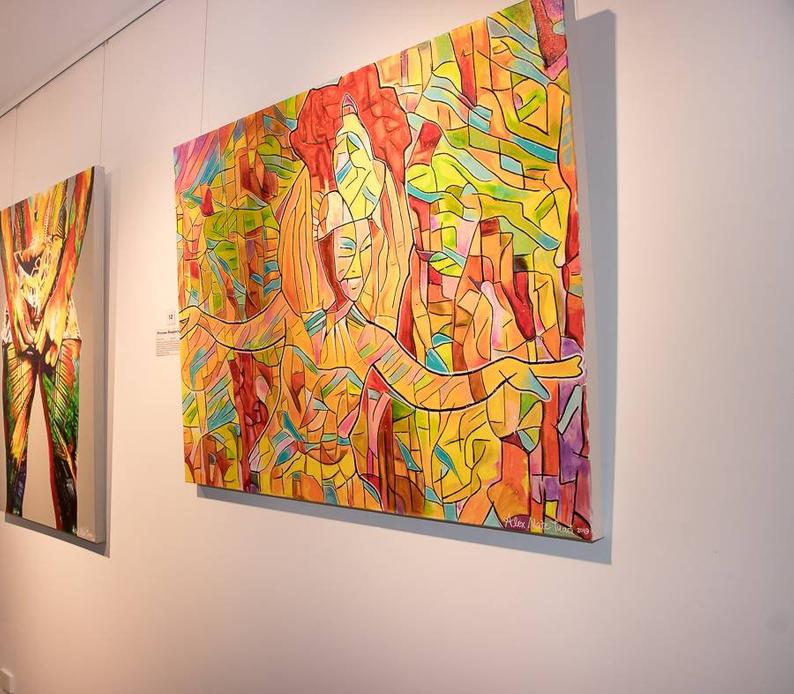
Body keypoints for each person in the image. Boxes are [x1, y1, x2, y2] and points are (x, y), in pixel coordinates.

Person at [180, 96, 580, 511]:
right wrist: (199, 320)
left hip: (338, 490)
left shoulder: (369, 340)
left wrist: (504, 370)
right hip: (276, 478)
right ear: (324, 250)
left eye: (365, 249)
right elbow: (239, 335)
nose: (356, 266)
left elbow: (434, 391)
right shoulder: (290, 316)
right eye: (345, 248)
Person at [0, 169, 94, 534]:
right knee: (13, 458)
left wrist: (62, 291)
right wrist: (12, 292)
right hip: (17, 311)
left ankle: (70, 549)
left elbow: (85, 185)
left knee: (65, 457)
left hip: (60, 310)